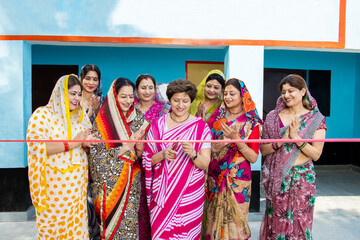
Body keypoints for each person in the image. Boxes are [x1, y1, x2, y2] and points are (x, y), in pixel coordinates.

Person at [27, 74, 98, 239]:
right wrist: (73, 143)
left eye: (79, 94)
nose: (76, 98)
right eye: (72, 93)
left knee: (77, 228)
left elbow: (84, 150)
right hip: (54, 189)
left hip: (77, 187)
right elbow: (37, 147)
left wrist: (86, 146)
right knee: (55, 229)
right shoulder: (42, 116)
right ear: (60, 92)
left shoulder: (81, 119)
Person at [259, 74, 327, 240]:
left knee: (299, 223)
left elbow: (316, 154)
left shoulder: (316, 119)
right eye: (283, 92)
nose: (286, 95)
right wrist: (282, 141)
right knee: (276, 222)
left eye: (291, 91)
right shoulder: (273, 117)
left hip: (302, 181)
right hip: (278, 179)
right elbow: (264, 150)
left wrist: (297, 138)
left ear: (303, 91)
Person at [142, 79, 212, 239]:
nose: (180, 105)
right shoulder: (157, 125)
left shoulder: (201, 127)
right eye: (176, 100)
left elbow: (205, 163)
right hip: (162, 195)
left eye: (185, 101)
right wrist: (162, 154)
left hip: (190, 195)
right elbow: (148, 159)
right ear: (169, 100)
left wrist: (193, 153)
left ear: (191, 101)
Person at [88, 77, 149, 240]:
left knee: (129, 228)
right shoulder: (103, 121)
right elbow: (95, 158)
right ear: (114, 96)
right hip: (108, 188)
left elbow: (139, 157)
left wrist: (139, 149)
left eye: (131, 96)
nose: (128, 101)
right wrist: (125, 147)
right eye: (123, 96)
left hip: (130, 185)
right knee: (108, 230)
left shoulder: (138, 118)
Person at [205, 78, 262, 240]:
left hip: (238, 181)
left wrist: (236, 138)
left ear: (242, 95)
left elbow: (253, 157)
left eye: (232, 93)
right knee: (213, 221)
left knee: (236, 224)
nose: (228, 97)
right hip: (214, 177)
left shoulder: (252, 122)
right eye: (225, 93)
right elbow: (207, 148)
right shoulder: (216, 119)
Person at [134, 74, 171, 240]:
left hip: (159, 165)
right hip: (133, 164)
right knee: (137, 207)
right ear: (137, 90)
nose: (147, 91)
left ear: (155, 89)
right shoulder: (129, 109)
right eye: (143, 87)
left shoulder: (165, 110)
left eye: (150, 87)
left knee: (156, 205)